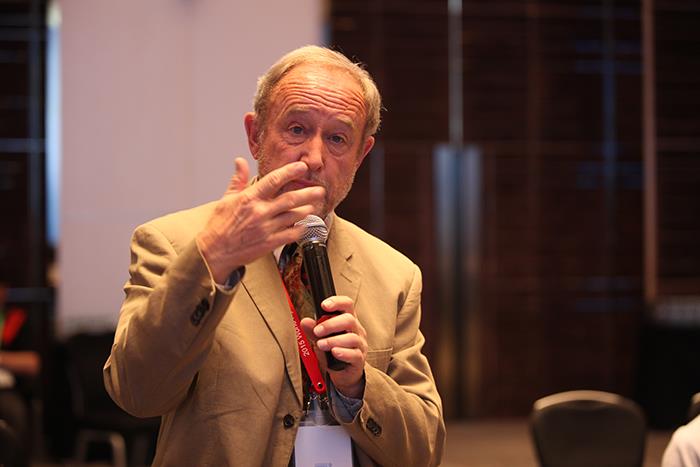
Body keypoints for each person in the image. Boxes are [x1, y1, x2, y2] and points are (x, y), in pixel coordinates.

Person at [103, 45, 445, 466]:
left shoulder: (395, 274)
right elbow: (137, 394)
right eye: (297, 129)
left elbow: (424, 451)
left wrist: (359, 387)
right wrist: (212, 260)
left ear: (361, 154)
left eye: (337, 138)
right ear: (256, 135)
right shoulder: (173, 243)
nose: (314, 158)